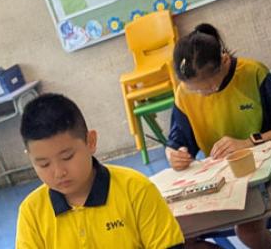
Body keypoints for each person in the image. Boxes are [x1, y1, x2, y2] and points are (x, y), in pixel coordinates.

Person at [166, 23, 271, 249]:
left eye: (208, 88)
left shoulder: (252, 73)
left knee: (248, 231)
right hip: (220, 180)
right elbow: (176, 142)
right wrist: (174, 154)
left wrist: (249, 142)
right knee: (179, 237)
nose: (201, 95)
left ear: (224, 61)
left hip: (265, 173)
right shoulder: (184, 93)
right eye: (193, 90)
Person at [15, 93, 184, 249]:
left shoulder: (136, 190)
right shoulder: (32, 212)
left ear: (91, 141)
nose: (58, 172)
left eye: (67, 157)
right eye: (44, 164)